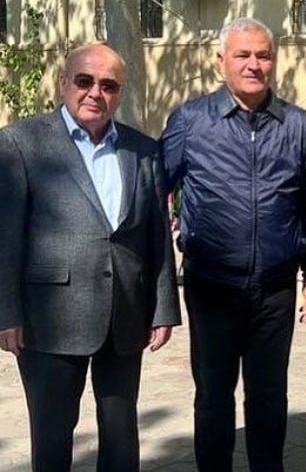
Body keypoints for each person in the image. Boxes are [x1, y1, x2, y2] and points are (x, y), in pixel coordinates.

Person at [0, 42, 181, 471]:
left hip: (125, 313)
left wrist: (163, 308)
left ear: (119, 93)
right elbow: (6, 236)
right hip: (49, 318)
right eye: (84, 81)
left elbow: (155, 233)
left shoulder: (142, 149)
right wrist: (6, 313)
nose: (95, 92)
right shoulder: (21, 142)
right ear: (64, 82)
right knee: (52, 435)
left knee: (121, 434)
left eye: (108, 85)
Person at [161, 17, 306, 472]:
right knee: (214, 395)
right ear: (221, 61)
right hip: (212, 285)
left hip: (275, 288)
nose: (254, 64)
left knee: (269, 396)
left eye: (263, 55)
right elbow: (154, 189)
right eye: (243, 55)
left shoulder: (296, 124)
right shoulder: (191, 121)